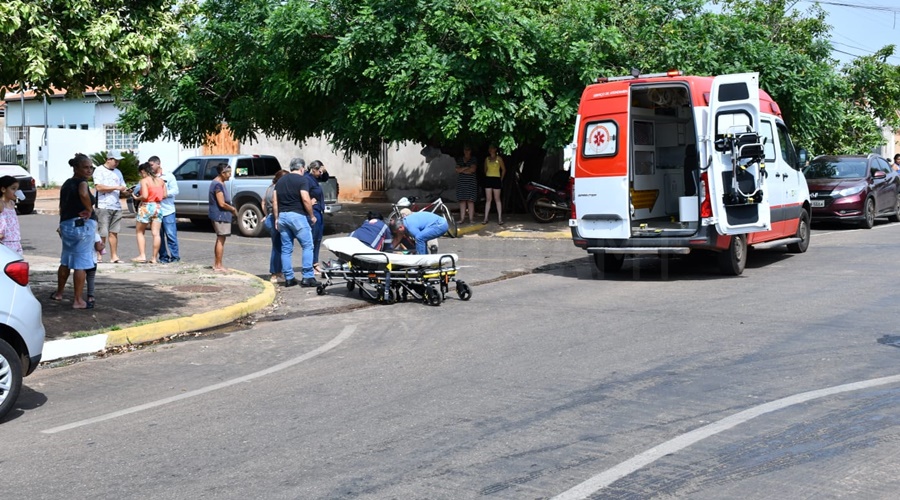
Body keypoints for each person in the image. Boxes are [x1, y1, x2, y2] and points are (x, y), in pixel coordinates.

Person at [52, 153, 97, 309]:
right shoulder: (82, 183)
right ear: (76, 168)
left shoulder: (66, 184)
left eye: (91, 167)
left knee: (66, 260)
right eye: (85, 167)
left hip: (66, 224)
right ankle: (78, 300)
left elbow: (62, 206)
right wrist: (89, 209)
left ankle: (59, 293)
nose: (89, 170)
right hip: (81, 226)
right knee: (80, 263)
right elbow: (83, 193)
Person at [273, 158, 319, 287]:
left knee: (286, 249)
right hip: (297, 216)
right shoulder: (302, 180)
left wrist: (277, 218)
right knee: (308, 246)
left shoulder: (280, 181)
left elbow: (275, 201)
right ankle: (308, 277)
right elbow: (305, 199)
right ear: (302, 168)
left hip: (282, 216)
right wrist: (311, 215)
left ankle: (289, 278)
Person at [92, 149, 130, 263]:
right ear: (109, 159)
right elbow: (98, 187)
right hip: (103, 205)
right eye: (115, 160)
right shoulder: (99, 170)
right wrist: (116, 187)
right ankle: (99, 256)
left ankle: (114, 256)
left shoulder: (118, 172)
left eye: (118, 161)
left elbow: (123, 187)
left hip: (116, 206)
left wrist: (127, 191)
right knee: (102, 232)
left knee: (114, 232)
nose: (117, 163)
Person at [132, 162, 166, 263]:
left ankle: (142, 255)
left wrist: (137, 197)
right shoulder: (161, 181)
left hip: (146, 206)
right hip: (158, 206)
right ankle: (154, 258)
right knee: (156, 234)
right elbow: (165, 195)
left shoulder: (144, 181)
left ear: (143, 171)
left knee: (139, 231)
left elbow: (145, 196)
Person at [149, 155, 180, 263]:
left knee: (171, 235)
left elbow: (175, 190)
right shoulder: (149, 177)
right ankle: (163, 257)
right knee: (158, 235)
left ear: (158, 164)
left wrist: (164, 194)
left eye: (152, 165)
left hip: (168, 210)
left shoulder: (168, 176)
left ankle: (175, 257)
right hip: (155, 210)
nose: (150, 167)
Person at [209, 163, 238, 271]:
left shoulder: (221, 183)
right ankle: (218, 265)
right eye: (228, 173)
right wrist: (233, 209)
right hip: (220, 214)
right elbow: (221, 203)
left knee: (221, 239)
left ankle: (218, 264)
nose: (230, 175)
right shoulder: (217, 185)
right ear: (222, 173)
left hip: (221, 214)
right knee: (221, 239)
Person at [304, 160, 330, 273]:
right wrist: (309, 202)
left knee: (318, 238)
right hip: (313, 210)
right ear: (313, 170)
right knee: (313, 239)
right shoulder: (307, 179)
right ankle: (311, 264)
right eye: (319, 171)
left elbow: (325, 178)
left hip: (319, 210)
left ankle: (315, 263)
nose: (320, 173)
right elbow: (302, 193)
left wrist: (325, 170)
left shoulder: (315, 178)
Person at [263, 169, 288, 282]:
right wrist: (277, 218)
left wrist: (265, 214)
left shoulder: (269, 188)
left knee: (277, 245)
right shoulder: (277, 189)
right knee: (278, 247)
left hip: (270, 217)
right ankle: (275, 272)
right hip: (275, 218)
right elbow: (275, 204)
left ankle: (278, 271)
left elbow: (263, 202)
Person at [482, 144, 506, 225]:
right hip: (489, 178)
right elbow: (485, 170)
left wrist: (500, 179)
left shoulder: (499, 159)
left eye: (492, 148)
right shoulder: (487, 159)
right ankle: (485, 218)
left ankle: (499, 218)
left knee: (497, 199)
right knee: (488, 199)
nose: (490, 149)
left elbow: (503, 170)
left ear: (495, 149)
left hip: (496, 179)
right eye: (490, 148)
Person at [0, 175, 23, 254]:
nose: (16, 192)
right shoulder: (1, 204)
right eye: (13, 189)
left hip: (16, 240)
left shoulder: (12, 203)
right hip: (5, 241)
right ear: (3, 189)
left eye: (17, 189)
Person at [455, 145, 478, 224]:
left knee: (470, 201)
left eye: (468, 150)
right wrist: (466, 168)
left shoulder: (473, 159)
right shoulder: (460, 159)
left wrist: (462, 169)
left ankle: (471, 219)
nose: (466, 151)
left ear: (470, 151)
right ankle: (462, 219)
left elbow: (473, 169)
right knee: (462, 201)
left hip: (471, 183)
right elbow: (457, 170)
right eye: (465, 150)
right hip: (462, 183)